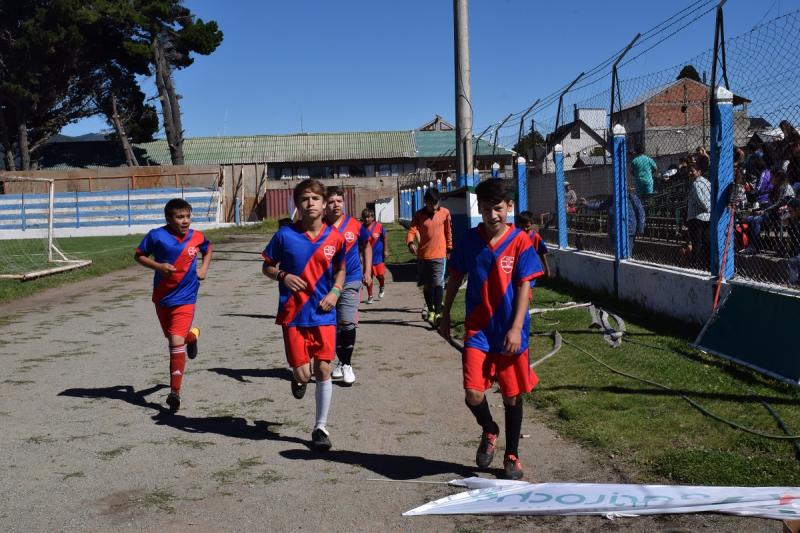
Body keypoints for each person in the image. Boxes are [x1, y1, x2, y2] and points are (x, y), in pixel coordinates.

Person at [438, 179, 544, 480]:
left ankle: (512, 455)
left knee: (511, 395)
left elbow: (525, 287)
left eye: (498, 208)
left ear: (509, 207)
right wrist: (445, 315)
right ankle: (489, 429)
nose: (492, 215)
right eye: (486, 209)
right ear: (479, 209)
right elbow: (455, 277)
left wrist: (515, 328)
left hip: (511, 332)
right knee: (473, 393)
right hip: (478, 330)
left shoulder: (522, 241)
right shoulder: (469, 240)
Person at [262, 179, 346, 451]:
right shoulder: (285, 235)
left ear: (324, 204)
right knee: (304, 372)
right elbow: (267, 266)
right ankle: (298, 378)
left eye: (314, 198)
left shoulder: (335, 237)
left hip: (323, 313)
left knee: (324, 368)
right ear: (297, 205)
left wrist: (335, 291)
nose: (310, 203)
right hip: (294, 315)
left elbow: (341, 270)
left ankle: (320, 427)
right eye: (304, 199)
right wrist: (283, 275)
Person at [134, 198, 212, 413]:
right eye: (180, 217)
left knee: (175, 343)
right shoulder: (156, 236)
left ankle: (174, 392)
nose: (185, 221)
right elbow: (139, 256)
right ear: (168, 219)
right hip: (162, 297)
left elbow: (208, 248)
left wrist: (203, 268)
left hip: (186, 297)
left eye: (187, 216)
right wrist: (158, 266)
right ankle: (193, 336)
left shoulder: (197, 237)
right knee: (174, 338)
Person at [324, 186, 372, 385]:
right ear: (326, 204)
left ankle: (347, 364)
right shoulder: (321, 226)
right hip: (326, 283)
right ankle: (341, 363)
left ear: (344, 203)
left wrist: (368, 271)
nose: (336, 205)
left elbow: (367, 245)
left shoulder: (354, 225)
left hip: (351, 279)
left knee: (346, 321)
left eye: (339, 201)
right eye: (332, 201)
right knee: (331, 325)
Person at [406, 187, 453, 324]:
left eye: (436, 203)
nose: (433, 206)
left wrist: (449, 248)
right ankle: (431, 309)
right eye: (430, 203)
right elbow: (412, 231)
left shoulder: (445, 213)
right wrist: (410, 243)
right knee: (427, 285)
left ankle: (438, 313)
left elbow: (448, 232)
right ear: (425, 202)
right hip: (423, 256)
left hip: (440, 255)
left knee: (438, 283)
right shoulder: (419, 215)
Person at [579, 187, 646, 255]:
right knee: (616, 252)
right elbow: (600, 205)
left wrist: (640, 229)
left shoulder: (632, 198)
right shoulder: (613, 198)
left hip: (628, 230)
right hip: (615, 230)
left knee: (626, 253)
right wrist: (587, 204)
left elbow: (641, 212)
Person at [686, 164, 711, 269]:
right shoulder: (707, 182)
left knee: (696, 242)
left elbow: (701, 200)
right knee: (705, 242)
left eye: (693, 171)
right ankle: (706, 264)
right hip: (707, 217)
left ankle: (695, 264)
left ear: (699, 171)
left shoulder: (696, 184)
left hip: (697, 217)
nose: (690, 173)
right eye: (689, 171)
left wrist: (708, 208)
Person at [361, 208, 389, 303]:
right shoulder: (361, 228)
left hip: (378, 256)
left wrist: (385, 250)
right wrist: (360, 254)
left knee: (380, 275)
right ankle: (370, 296)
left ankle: (382, 286)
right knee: (368, 277)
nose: (366, 219)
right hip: (367, 257)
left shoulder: (379, 226)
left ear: (373, 217)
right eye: (364, 217)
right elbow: (359, 243)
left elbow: (385, 237)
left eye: (368, 217)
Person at [516, 210, 551, 278]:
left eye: (527, 226)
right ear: (519, 224)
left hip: (530, 270)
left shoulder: (535, 236)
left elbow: (542, 253)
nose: (525, 228)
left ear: (531, 224)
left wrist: (547, 269)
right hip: (517, 269)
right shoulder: (515, 236)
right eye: (522, 226)